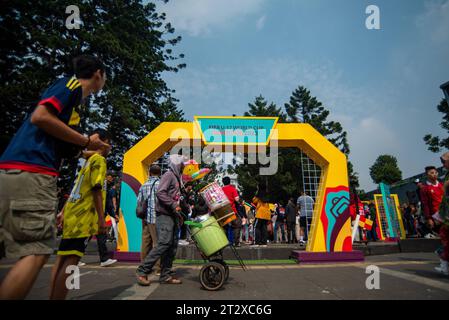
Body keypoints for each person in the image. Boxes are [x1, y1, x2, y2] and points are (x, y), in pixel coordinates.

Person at [0, 55, 108, 300]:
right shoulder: (70, 86)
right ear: (98, 74)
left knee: (54, 257)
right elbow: (40, 117)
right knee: (37, 253)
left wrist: (86, 146)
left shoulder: (73, 110)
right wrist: (85, 141)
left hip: (15, 174)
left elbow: (69, 146)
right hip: (34, 173)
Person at [49, 129, 111, 299]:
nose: (110, 147)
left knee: (61, 258)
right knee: (71, 263)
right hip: (83, 218)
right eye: (109, 143)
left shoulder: (87, 161)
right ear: (103, 142)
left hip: (72, 214)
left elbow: (76, 187)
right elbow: (96, 189)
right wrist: (100, 219)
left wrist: (63, 211)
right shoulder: (99, 160)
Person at [135, 154, 186, 286]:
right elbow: (160, 192)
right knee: (163, 244)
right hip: (164, 216)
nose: (184, 166)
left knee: (172, 247)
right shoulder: (169, 175)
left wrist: (178, 214)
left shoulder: (176, 178)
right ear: (176, 164)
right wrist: (174, 205)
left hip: (172, 216)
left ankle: (165, 275)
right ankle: (142, 271)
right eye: (182, 164)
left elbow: (175, 198)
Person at [137, 164, 161, 276]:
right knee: (157, 243)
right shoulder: (160, 184)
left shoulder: (144, 185)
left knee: (145, 242)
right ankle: (158, 268)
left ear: (150, 173)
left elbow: (139, 202)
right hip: (155, 217)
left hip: (145, 217)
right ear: (159, 173)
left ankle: (144, 266)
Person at [435, 152, 449, 275]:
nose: (443, 164)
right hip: (446, 212)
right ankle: (445, 265)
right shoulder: (446, 176)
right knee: (444, 235)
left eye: (444, 161)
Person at [420, 166, 444, 239]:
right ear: (427, 175)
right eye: (432, 173)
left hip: (446, 214)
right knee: (442, 237)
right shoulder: (424, 189)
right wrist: (429, 218)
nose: (435, 174)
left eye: (436, 172)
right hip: (436, 217)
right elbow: (425, 204)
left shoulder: (442, 185)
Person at [221, 176, 241, 246]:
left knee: (225, 227)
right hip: (232, 210)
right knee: (237, 225)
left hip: (223, 212)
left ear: (223, 182)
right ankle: (236, 242)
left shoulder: (220, 190)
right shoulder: (233, 189)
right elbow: (236, 199)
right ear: (229, 181)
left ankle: (225, 242)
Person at [105, 174, 119, 242]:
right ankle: (112, 236)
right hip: (110, 207)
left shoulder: (109, 189)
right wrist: (115, 207)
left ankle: (109, 235)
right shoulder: (113, 190)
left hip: (108, 207)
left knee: (113, 222)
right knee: (115, 221)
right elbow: (114, 199)